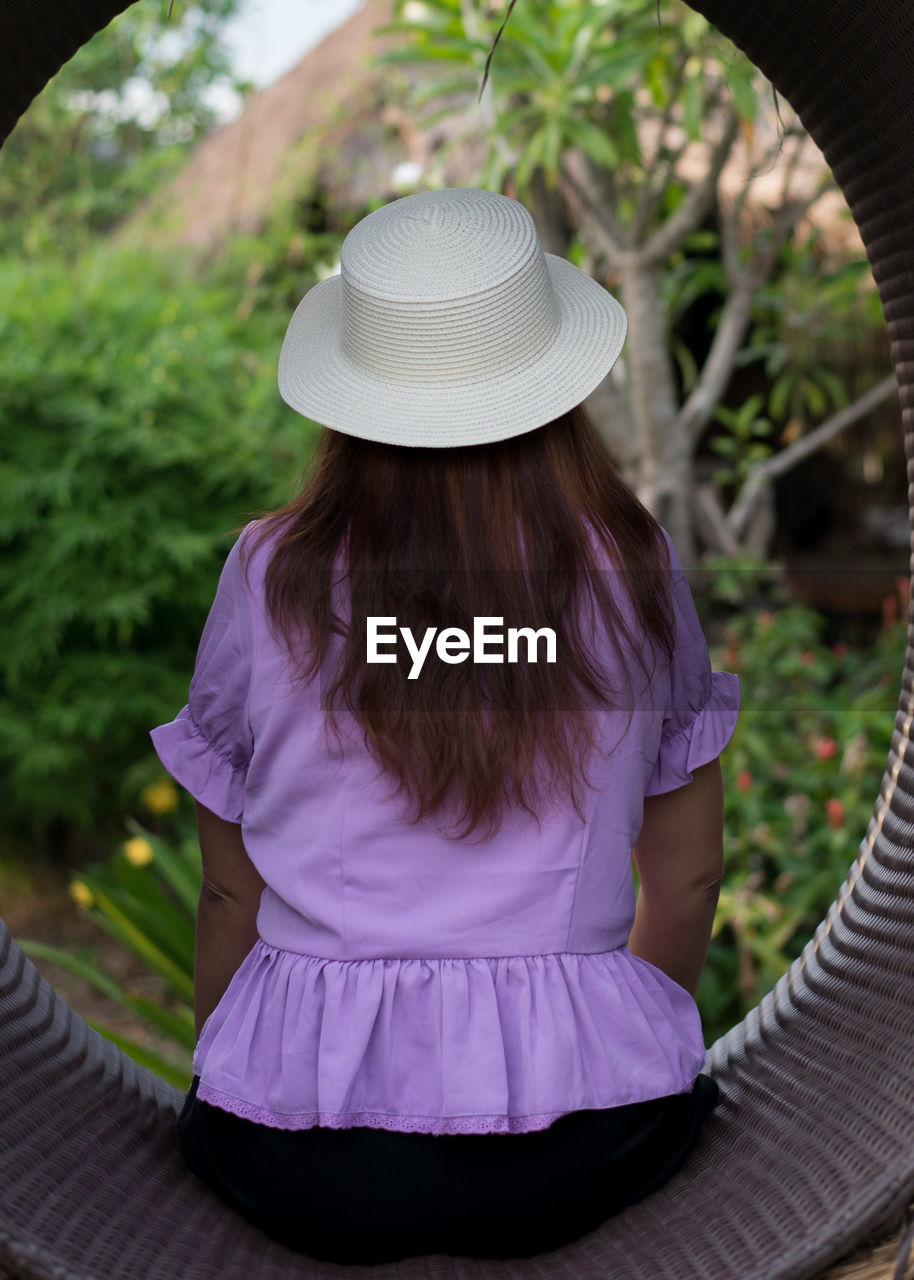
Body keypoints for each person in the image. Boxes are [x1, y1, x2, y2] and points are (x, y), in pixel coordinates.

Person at [151, 186, 740, 1266]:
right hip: (584, 1144)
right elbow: (689, 874)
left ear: (352, 392)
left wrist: (240, 1068)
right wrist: (606, 1055)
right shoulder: (634, 566)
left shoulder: (271, 573)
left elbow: (231, 887)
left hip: (302, 1149)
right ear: (554, 383)